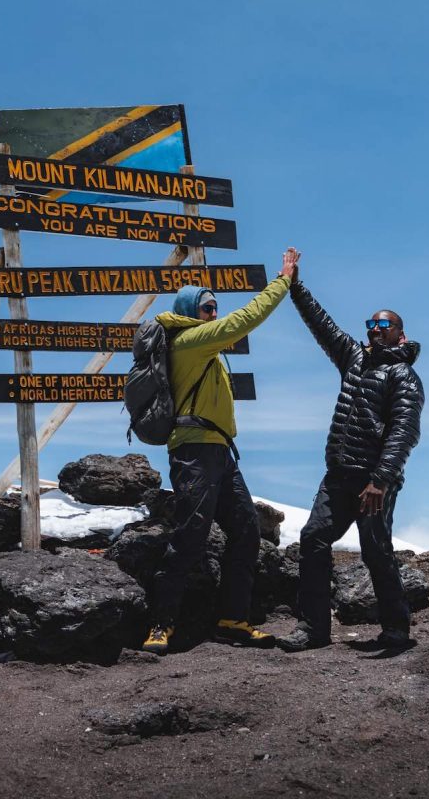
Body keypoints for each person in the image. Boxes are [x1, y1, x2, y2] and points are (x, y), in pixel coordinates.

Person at [142, 248, 299, 655]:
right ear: (192, 311)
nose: (215, 313)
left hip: (219, 453)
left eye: (215, 307)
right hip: (194, 453)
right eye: (208, 307)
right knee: (190, 537)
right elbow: (245, 319)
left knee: (246, 531)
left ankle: (233, 618)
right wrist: (283, 280)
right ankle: (162, 624)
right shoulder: (190, 340)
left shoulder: (202, 350)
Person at [277, 251, 424, 652]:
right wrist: (294, 284)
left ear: (400, 334)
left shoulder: (403, 376)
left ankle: (396, 630)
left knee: (376, 552)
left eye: (384, 324)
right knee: (313, 538)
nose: (375, 329)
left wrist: (380, 480)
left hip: (373, 481)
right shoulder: (354, 359)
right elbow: (321, 324)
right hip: (338, 474)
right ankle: (314, 629)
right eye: (371, 324)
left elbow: (403, 432)